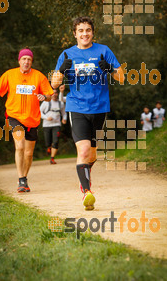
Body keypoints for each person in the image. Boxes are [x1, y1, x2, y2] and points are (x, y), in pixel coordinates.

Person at [51, 16, 124, 210]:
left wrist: (109, 68)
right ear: (75, 33)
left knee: (92, 155)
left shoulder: (103, 50)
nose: (85, 34)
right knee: (83, 151)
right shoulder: (66, 54)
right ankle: (87, 192)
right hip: (77, 107)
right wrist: (61, 70)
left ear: (93, 32)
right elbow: (54, 84)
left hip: (100, 108)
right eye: (81, 30)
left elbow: (122, 77)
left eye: (88, 30)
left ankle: (84, 174)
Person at [0, 48, 53, 192]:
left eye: (29, 59)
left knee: (29, 153)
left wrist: (44, 97)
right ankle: (21, 179)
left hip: (32, 119)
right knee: (19, 146)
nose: (26, 61)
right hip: (14, 117)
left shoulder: (39, 76)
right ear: (19, 60)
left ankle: (24, 179)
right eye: (24, 59)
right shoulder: (9, 75)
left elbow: (49, 94)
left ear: (32, 61)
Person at [40, 88, 67, 164]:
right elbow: (39, 112)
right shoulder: (46, 103)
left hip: (56, 125)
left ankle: (52, 158)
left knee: (55, 141)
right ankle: (48, 147)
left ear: (57, 94)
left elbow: (64, 113)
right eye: (53, 93)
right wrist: (46, 118)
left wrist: (64, 119)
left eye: (55, 93)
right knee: (48, 143)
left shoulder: (60, 103)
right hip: (46, 125)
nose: (54, 95)